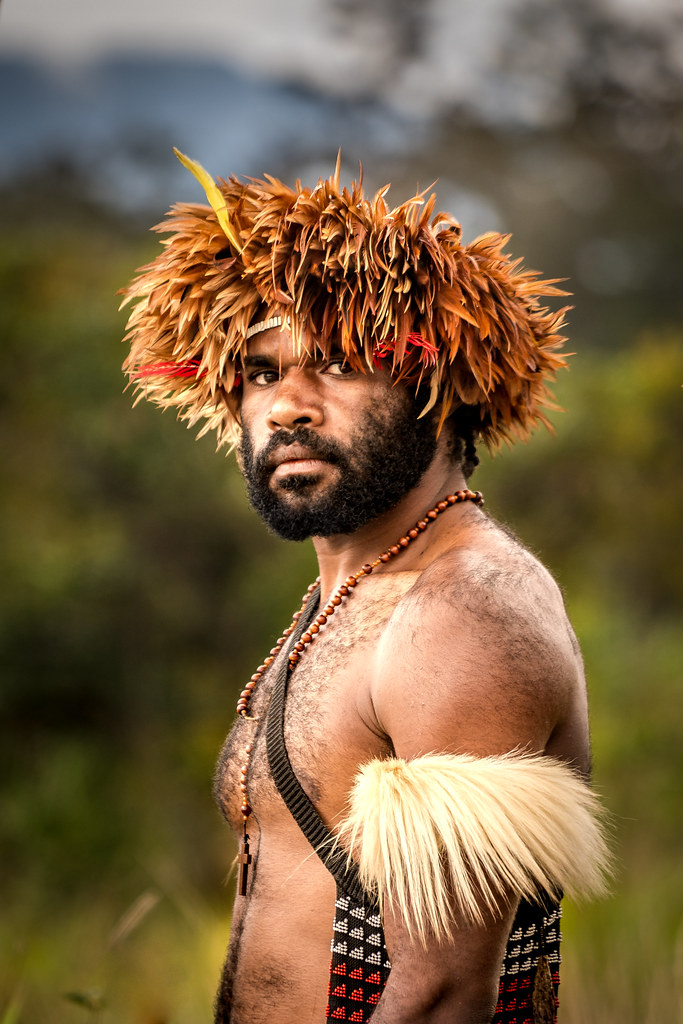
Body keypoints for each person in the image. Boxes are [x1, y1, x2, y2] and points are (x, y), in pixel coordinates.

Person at [122, 151, 611, 1024]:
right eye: (263, 372)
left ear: (438, 389)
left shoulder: (460, 611)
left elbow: (443, 995)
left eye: (338, 366)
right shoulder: (354, 595)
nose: (287, 406)